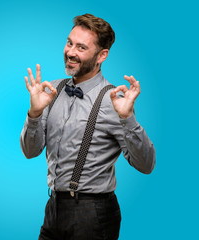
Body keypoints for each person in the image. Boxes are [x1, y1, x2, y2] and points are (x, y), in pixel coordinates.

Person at [20, 13, 156, 240]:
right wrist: (34, 114)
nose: (70, 52)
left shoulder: (113, 100)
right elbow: (30, 151)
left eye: (81, 47)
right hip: (53, 208)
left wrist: (128, 118)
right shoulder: (51, 91)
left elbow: (146, 164)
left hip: (93, 214)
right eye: (69, 43)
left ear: (102, 55)